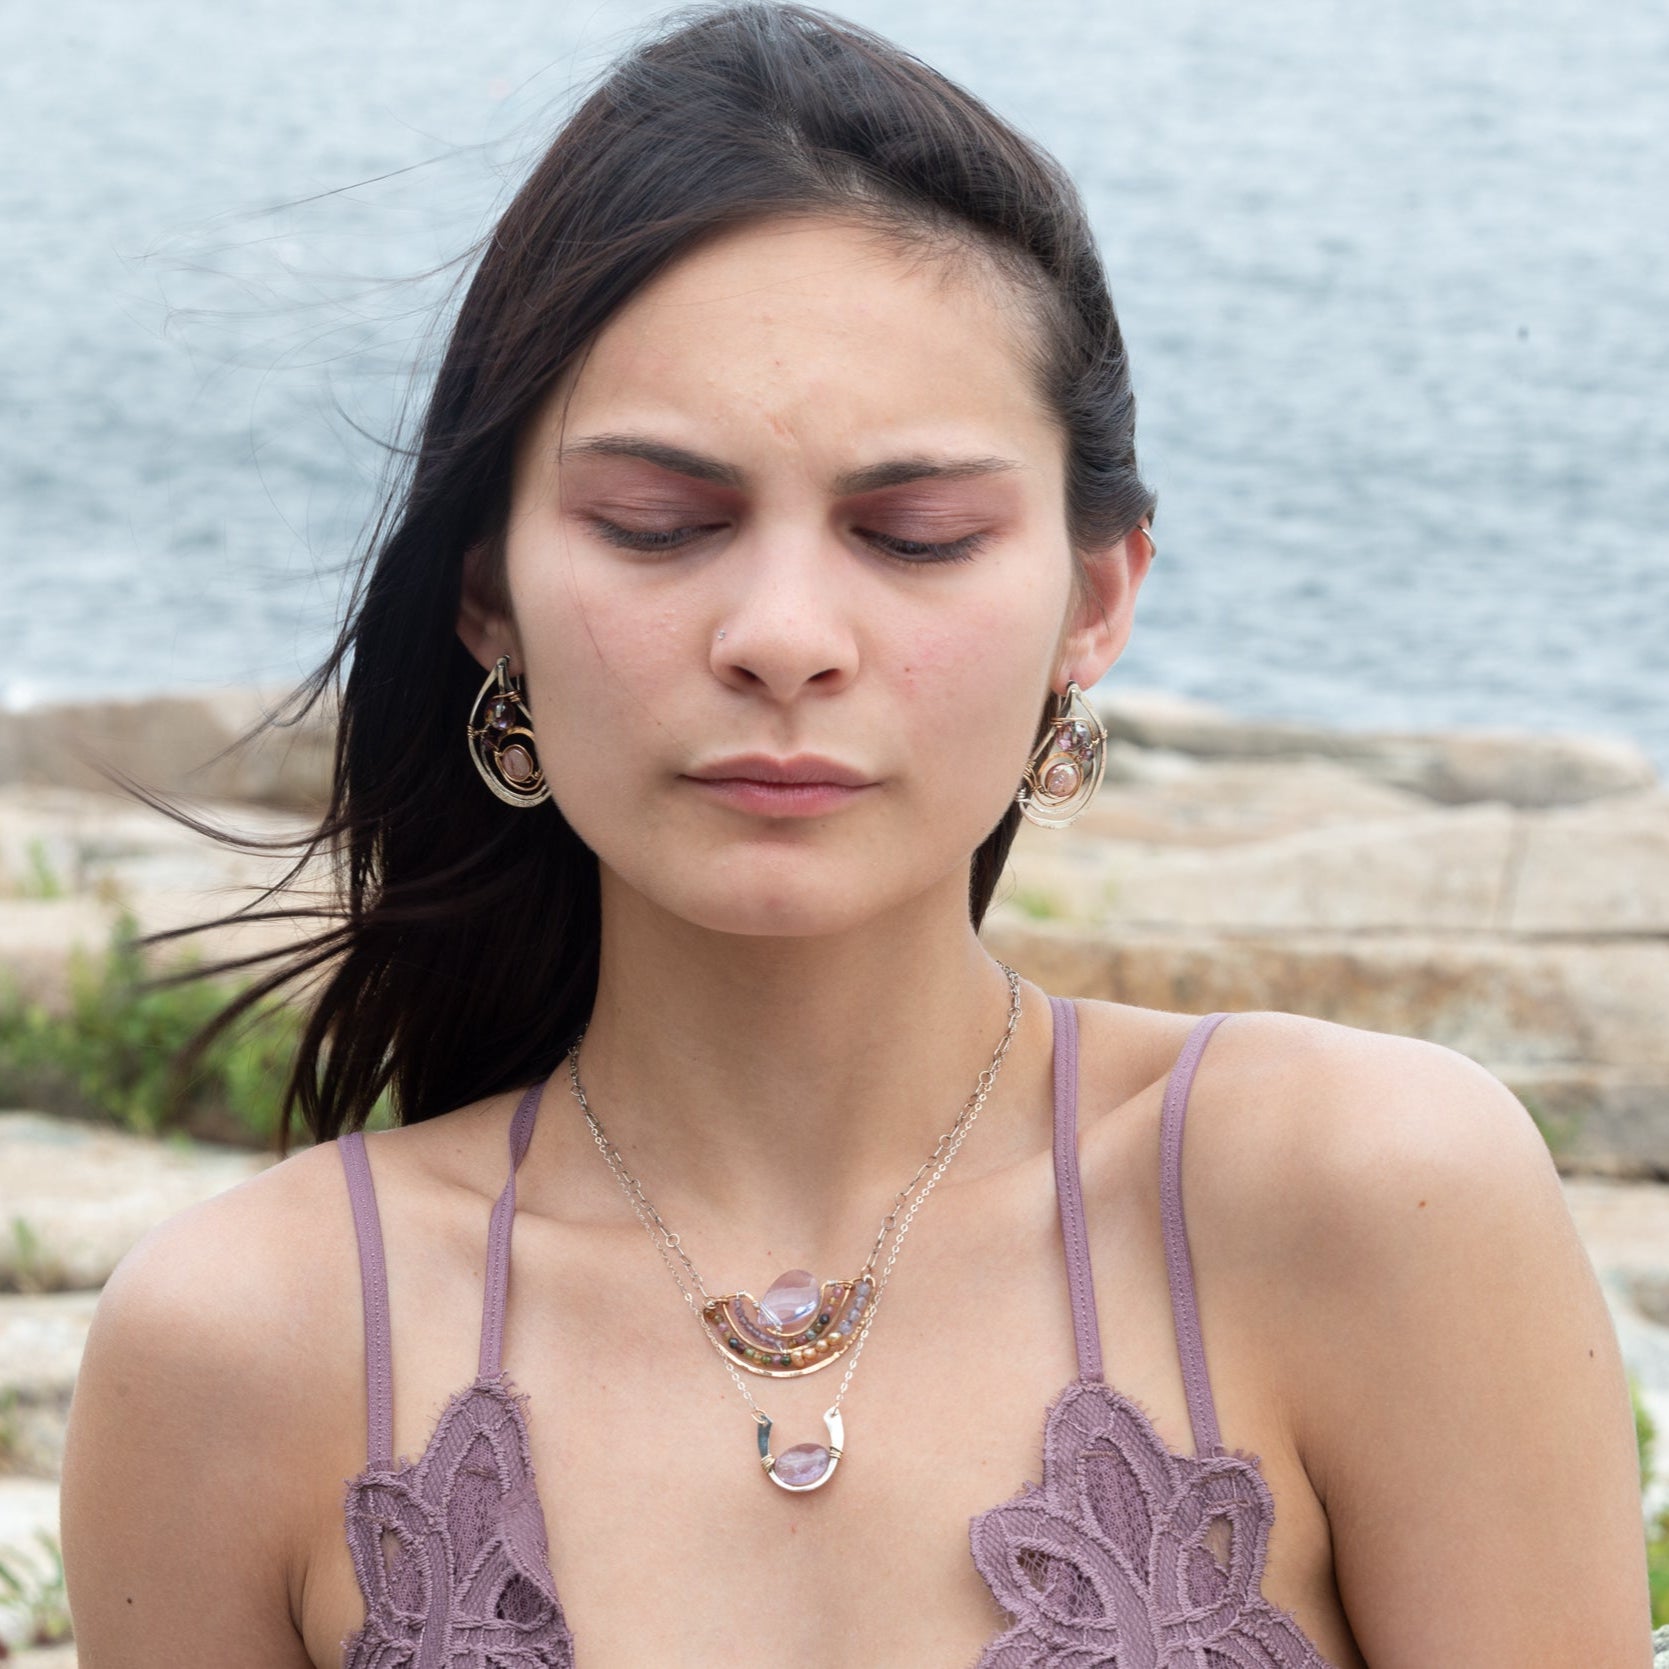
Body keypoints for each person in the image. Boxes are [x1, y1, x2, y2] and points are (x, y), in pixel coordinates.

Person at [58, 4, 1651, 1664]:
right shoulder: (244, 1343)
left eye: (914, 533)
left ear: (1094, 598)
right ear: (489, 592)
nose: (782, 633)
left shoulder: (1369, 1198)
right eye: (658, 524)